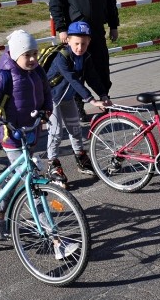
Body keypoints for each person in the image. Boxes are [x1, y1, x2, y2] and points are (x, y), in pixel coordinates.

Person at [0, 30, 53, 239]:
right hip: (11, 136)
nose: (33, 58)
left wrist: (47, 110)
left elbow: (47, 94)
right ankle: (54, 236)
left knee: (14, 180)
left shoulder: (38, 72)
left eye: (35, 53)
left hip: (31, 133)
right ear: (15, 55)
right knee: (30, 181)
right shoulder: (4, 77)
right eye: (27, 55)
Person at [48, 0, 119, 122]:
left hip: (96, 31)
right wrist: (62, 29)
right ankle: (78, 106)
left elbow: (110, 2)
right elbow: (55, 6)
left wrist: (113, 25)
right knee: (76, 71)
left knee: (101, 67)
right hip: (75, 35)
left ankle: (104, 100)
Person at [44, 21, 111, 185]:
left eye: (83, 43)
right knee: (56, 131)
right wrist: (91, 100)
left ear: (89, 42)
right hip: (51, 99)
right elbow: (73, 80)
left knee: (75, 129)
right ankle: (52, 164)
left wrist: (103, 94)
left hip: (67, 98)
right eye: (76, 43)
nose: (80, 47)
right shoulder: (62, 57)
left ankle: (81, 158)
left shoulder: (85, 57)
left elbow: (92, 77)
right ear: (68, 40)